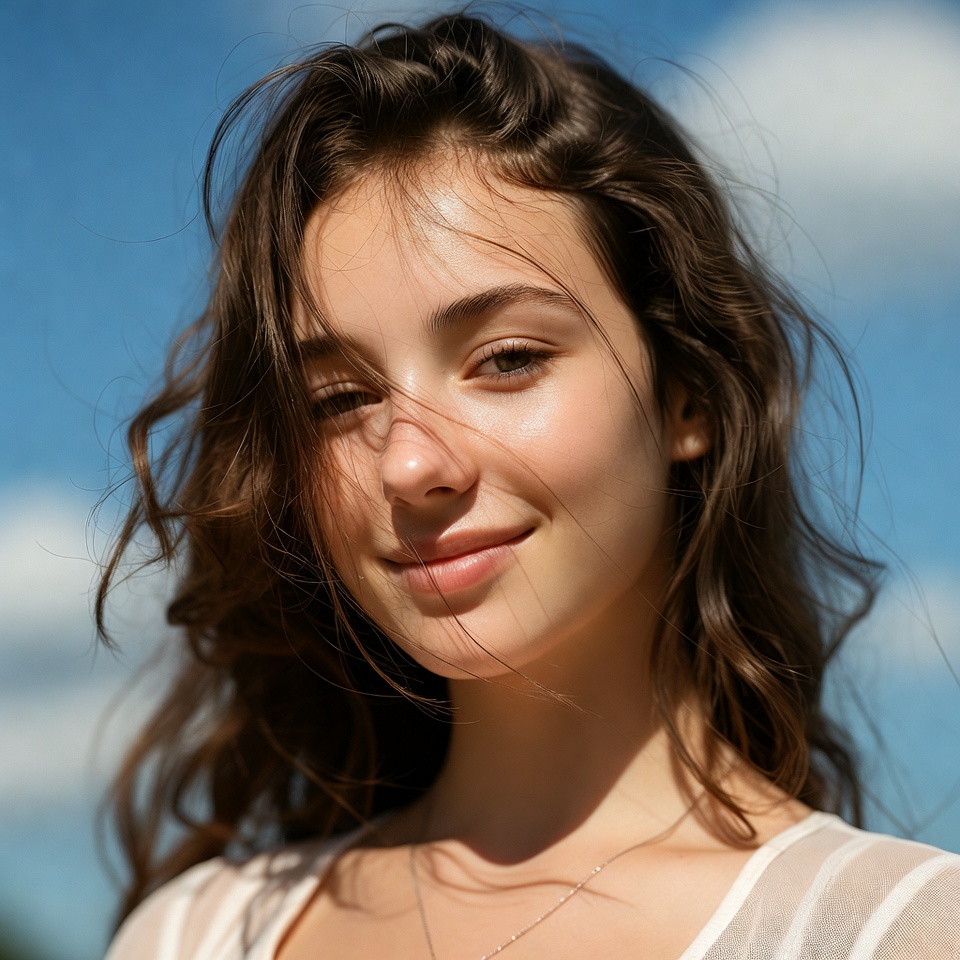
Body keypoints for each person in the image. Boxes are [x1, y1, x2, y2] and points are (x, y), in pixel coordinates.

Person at [99, 12, 960, 960]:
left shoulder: (896, 931)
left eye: (506, 359)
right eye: (339, 399)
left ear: (687, 394)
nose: (412, 464)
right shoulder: (194, 934)